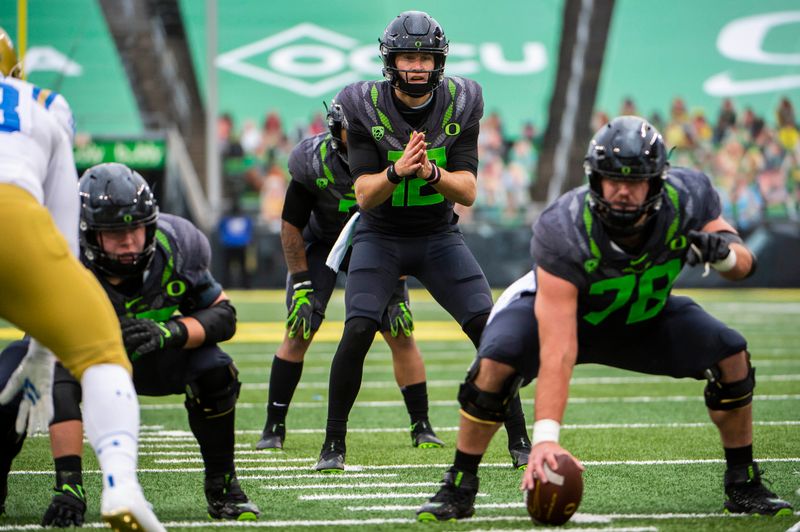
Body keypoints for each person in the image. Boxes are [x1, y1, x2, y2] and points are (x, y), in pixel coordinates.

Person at [417, 115, 794, 520]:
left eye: (635, 181)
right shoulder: (564, 226)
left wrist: (722, 254)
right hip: (560, 313)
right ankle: (459, 484)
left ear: (658, 181)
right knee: (493, 366)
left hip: (639, 314)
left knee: (731, 354)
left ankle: (743, 483)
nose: (622, 192)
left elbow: (744, 263)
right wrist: (545, 439)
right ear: (594, 178)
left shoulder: (687, 196)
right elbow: (559, 347)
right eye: (613, 179)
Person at [313, 10, 530, 473]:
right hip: (381, 234)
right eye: (408, 57)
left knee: (490, 329)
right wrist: (397, 170)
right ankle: (333, 444)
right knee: (357, 328)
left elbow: (467, 192)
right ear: (391, 61)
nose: (417, 67)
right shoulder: (362, 104)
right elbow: (365, 196)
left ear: (439, 62)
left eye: (425, 58)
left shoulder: (462, 101)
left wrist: (431, 172)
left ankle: (520, 440)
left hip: (437, 235)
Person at [0, 29, 164, 531]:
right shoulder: (42, 103)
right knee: (101, 352)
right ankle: (120, 485)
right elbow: (63, 220)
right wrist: (49, 339)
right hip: (16, 214)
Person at [39, 163, 260, 525]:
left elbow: (224, 316)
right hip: (87, 362)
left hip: (155, 356)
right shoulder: (63, 258)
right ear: (88, 234)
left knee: (216, 370)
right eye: (114, 233)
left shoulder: (175, 245)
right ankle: (69, 488)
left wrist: (170, 332)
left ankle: (223, 488)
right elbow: (43, 351)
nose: (128, 242)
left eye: (136, 229)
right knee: (24, 379)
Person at [256, 99, 446, 451]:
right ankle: (274, 426)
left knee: (399, 331)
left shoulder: (393, 153)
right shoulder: (313, 159)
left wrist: (399, 287)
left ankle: (421, 425)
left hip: (376, 243)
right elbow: (291, 225)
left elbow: (406, 222)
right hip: (321, 242)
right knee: (301, 326)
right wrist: (300, 284)